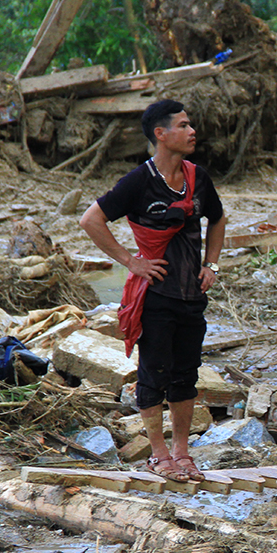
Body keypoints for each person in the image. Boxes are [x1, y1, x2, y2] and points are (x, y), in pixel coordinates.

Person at [79, 99, 226, 484]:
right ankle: (158, 455)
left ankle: (182, 453)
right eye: (183, 125)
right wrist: (131, 261)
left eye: (191, 124)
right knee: (153, 373)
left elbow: (218, 217)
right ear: (160, 134)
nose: (192, 131)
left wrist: (210, 265)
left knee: (185, 375)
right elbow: (91, 219)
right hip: (156, 296)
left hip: (192, 295)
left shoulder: (198, 177)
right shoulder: (138, 182)